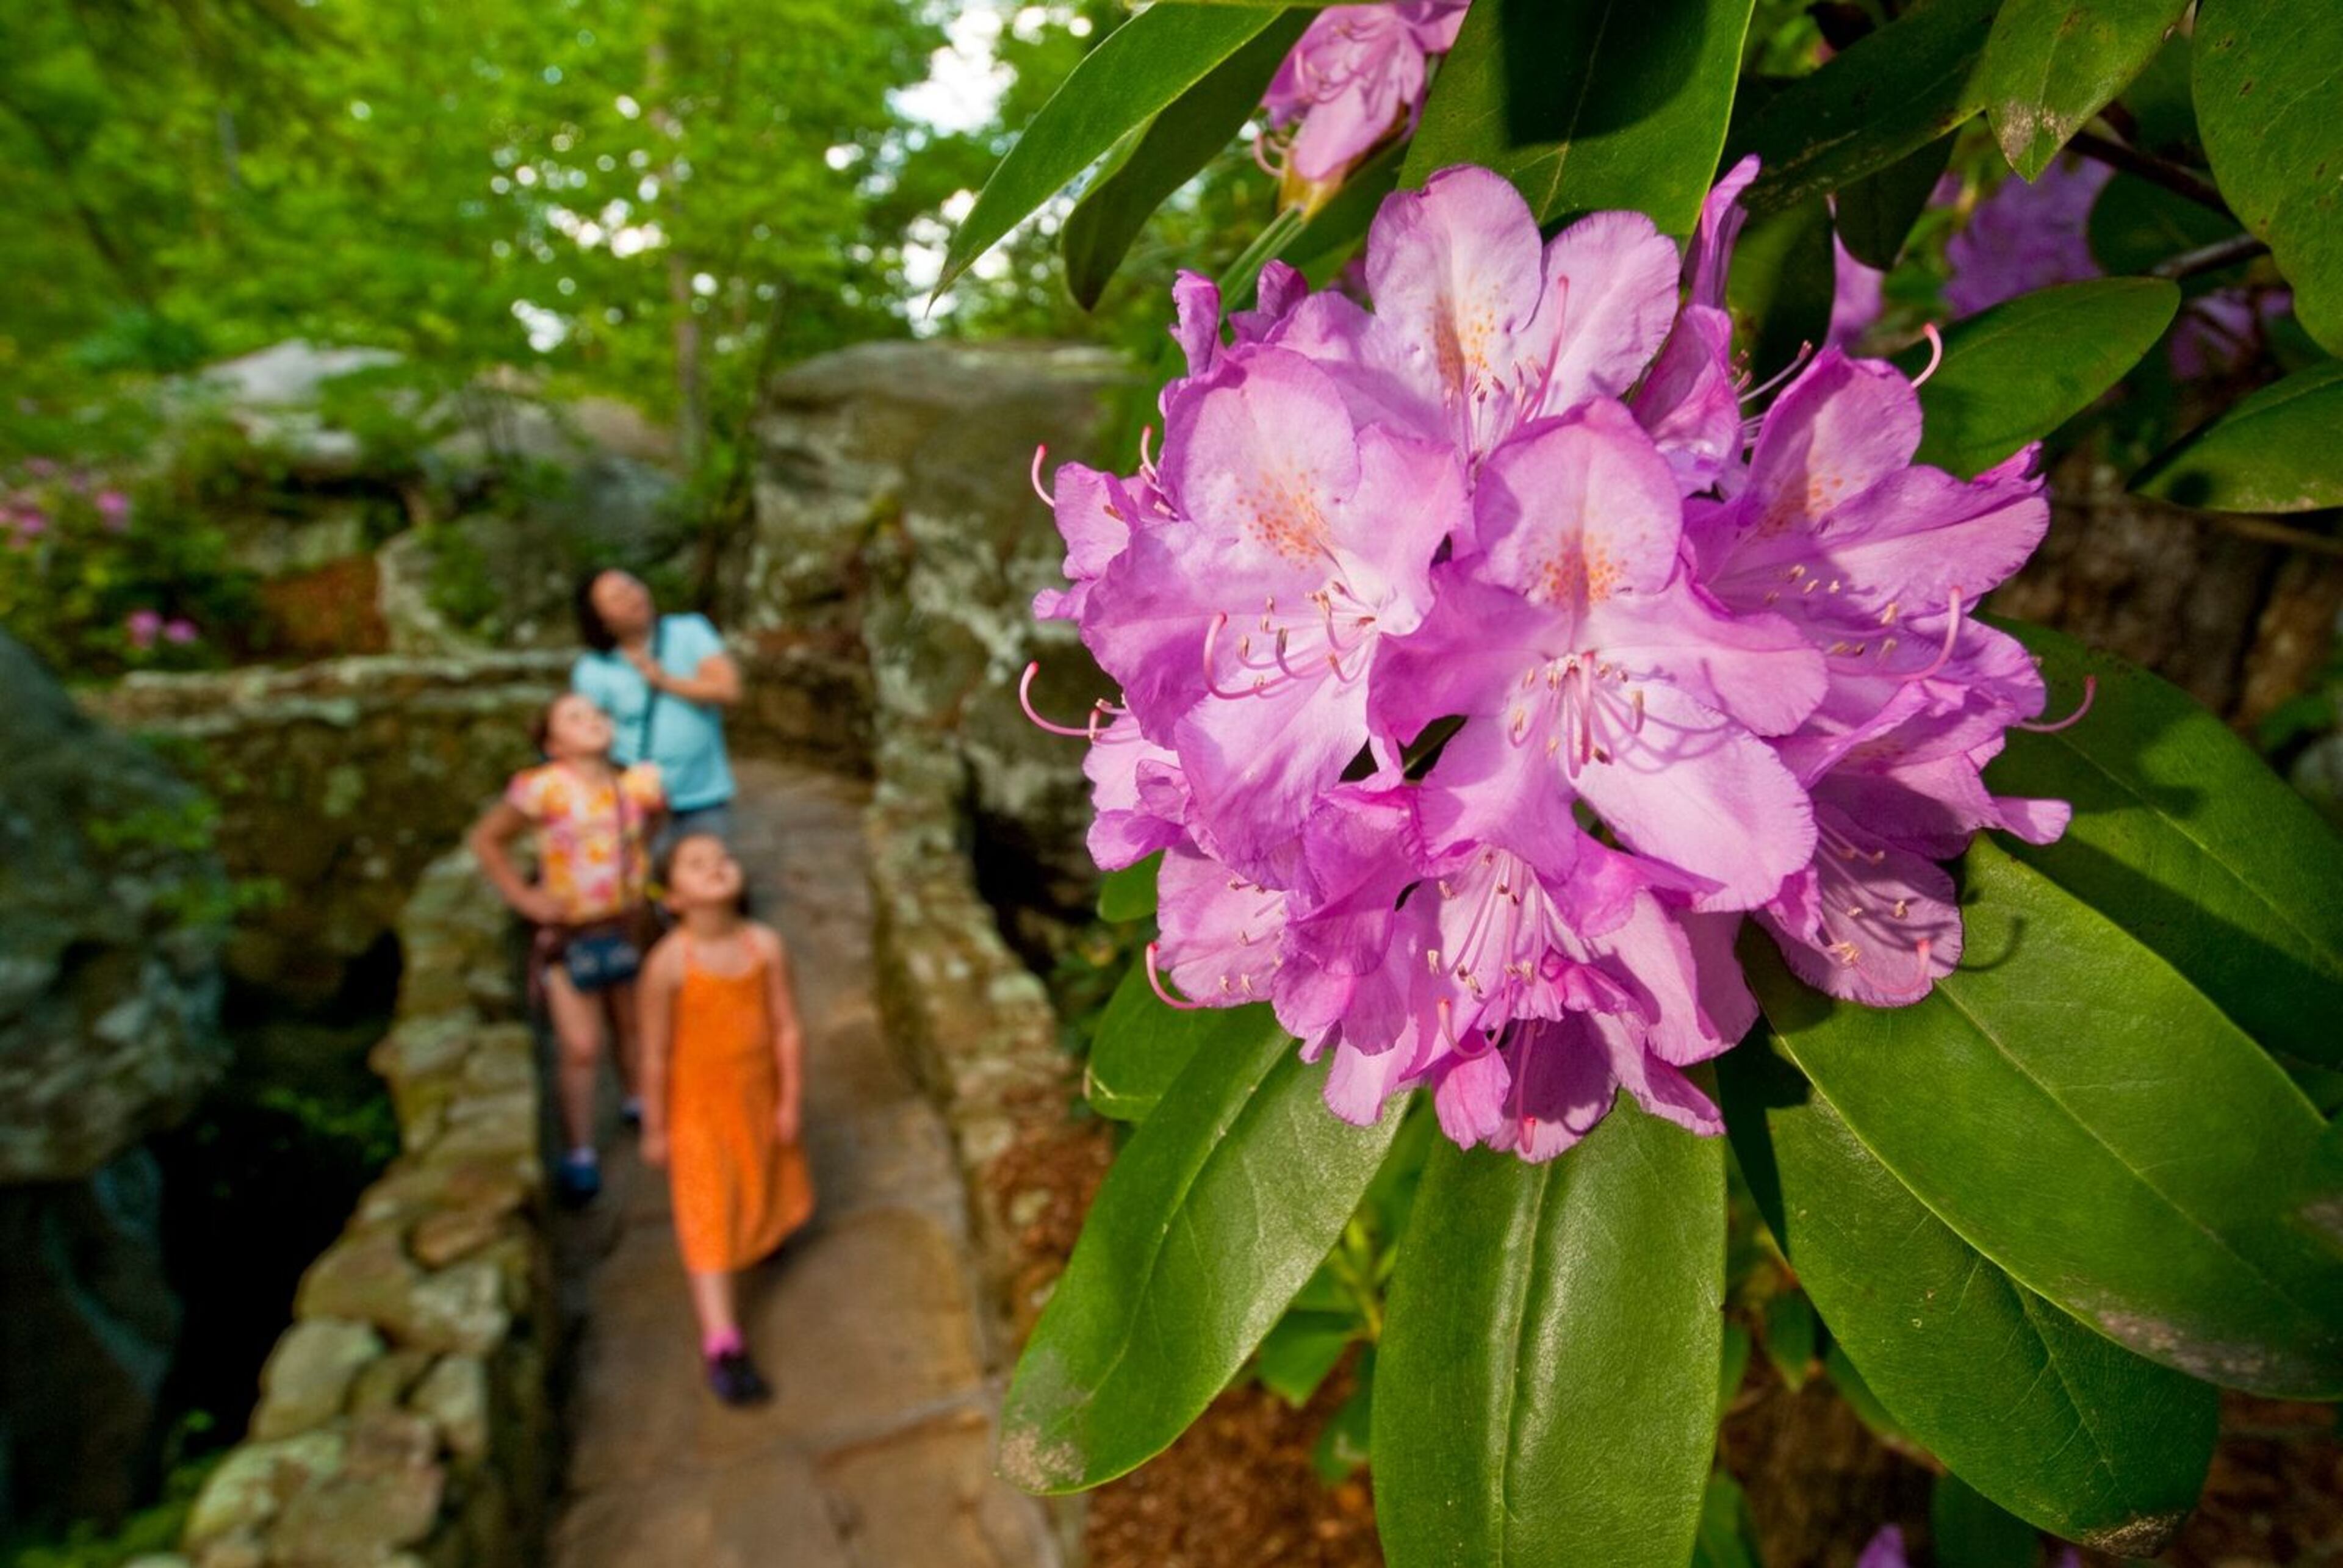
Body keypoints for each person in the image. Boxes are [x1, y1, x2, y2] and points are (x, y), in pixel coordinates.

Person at [636, 831, 815, 1407]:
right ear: (672, 897)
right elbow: (655, 1053)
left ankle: (763, 1236)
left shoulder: (765, 946)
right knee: (708, 1212)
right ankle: (722, 1339)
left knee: (764, 1176)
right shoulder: (667, 967)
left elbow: (786, 1026)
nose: (715, 866)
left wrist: (790, 1098)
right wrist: (656, 1126)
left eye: (722, 856)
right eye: (695, 864)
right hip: (699, 1111)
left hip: (758, 1095)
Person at [469, 692, 665, 1206]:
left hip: (627, 924)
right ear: (554, 744)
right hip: (570, 934)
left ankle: (639, 1101)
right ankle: (579, 1150)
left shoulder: (636, 783)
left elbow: (651, 830)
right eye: (575, 718)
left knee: (634, 1024)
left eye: (597, 713)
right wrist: (525, 898)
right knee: (581, 1046)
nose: (592, 721)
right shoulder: (543, 790)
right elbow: (488, 840)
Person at [571, 570, 741, 852]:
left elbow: (728, 690)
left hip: (703, 793)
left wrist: (665, 681)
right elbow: (586, 735)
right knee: (641, 879)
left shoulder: (690, 631)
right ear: (600, 619)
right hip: (637, 800)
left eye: (632, 586)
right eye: (616, 597)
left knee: (699, 879)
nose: (631, 597)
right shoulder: (593, 669)